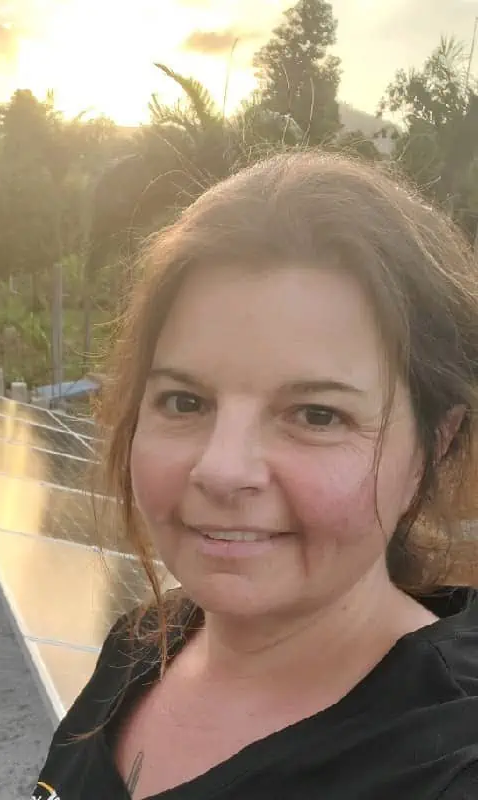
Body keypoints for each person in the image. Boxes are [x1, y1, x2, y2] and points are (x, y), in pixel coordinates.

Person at [31, 150, 478, 800]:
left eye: (316, 414)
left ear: (436, 444)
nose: (221, 469)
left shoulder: (442, 767)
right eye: (185, 402)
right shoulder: (139, 647)